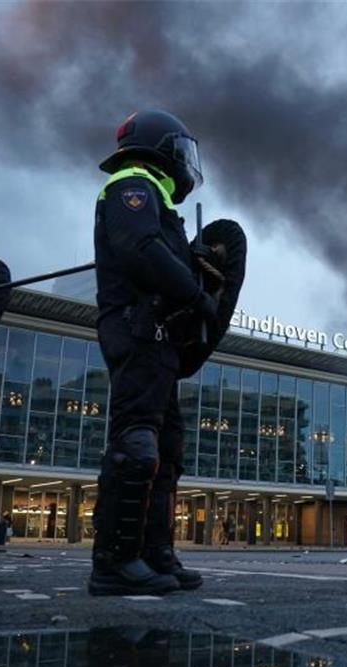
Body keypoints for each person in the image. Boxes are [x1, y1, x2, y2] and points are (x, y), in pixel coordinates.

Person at [89, 109, 246, 596]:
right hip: (137, 333)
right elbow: (140, 249)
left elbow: (158, 251)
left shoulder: (154, 195)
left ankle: (155, 553)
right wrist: (196, 295)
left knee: (166, 453)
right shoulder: (131, 183)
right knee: (135, 446)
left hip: (158, 340)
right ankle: (114, 561)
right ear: (165, 148)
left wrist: (200, 268)